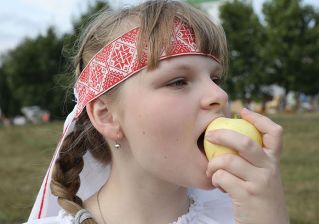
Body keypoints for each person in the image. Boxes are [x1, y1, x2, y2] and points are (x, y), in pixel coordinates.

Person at [27, 1, 289, 223]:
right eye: (178, 81)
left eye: (216, 79)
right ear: (107, 116)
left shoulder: (241, 216)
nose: (220, 96)